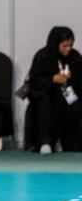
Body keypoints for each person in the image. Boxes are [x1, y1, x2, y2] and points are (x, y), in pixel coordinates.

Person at [25, 26, 81, 154]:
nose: (68, 49)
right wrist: (52, 79)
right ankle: (46, 142)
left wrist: (71, 78)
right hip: (47, 94)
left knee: (76, 105)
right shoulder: (43, 56)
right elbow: (34, 81)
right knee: (45, 103)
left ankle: (69, 142)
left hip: (68, 92)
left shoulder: (75, 57)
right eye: (64, 46)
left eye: (70, 45)